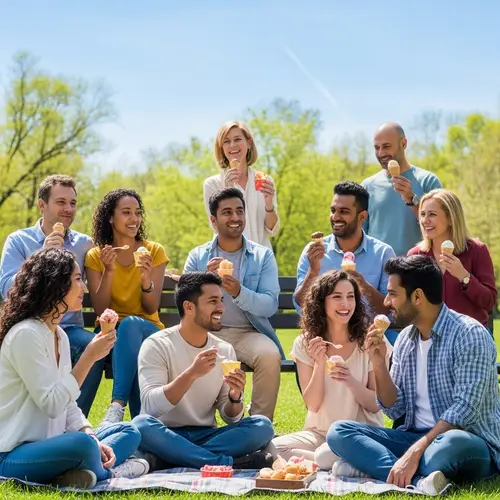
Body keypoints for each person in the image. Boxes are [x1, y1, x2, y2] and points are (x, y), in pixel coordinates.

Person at [327, 255, 500, 495]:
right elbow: (395, 409)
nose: (386, 302)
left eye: (393, 294)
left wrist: (415, 451)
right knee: (339, 432)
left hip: (466, 440)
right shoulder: (406, 340)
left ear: (417, 296)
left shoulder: (470, 335)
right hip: (411, 437)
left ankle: (379, 466)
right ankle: (419, 480)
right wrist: (378, 364)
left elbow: (465, 410)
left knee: (450, 446)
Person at [0, 248, 149, 488]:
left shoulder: (59, 334)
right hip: (12, 455)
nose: (85, 287)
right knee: (81, 446)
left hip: (55, 443)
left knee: (129, 432)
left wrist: (90, 433)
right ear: (55, 284)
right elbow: (51, 405)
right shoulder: (26, 335)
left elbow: (68, 405)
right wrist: (89, 357)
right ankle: (111, 473)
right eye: (78, 279)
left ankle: (77, 473)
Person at [133, 272, 275, 470]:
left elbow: (230, 417)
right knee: (141, 425)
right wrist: (191, 374)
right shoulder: (156, 345)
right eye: (213, 301)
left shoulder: (224, 349)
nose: (221, 308)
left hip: (206, 434)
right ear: (189, 307)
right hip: (165, 432)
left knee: (262, 426)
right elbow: (150, 407)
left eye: (221, 300)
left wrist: (234, 397)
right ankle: (226, 462)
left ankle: (170, 458)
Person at [0, 174, 102, 417]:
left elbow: (100, 282)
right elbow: (6, 288)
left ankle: (76, 419)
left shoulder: (83, 243)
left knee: (93, 349)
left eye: (73, 203)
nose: (68, 209)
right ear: (42, 205)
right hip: (31, 326)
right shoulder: (19, 241)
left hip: (70, 328)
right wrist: (41, 255)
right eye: (61, 202)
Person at [272, 271, 390, 470]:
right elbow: (313, 404)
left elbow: (375, 405)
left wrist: (349, 380)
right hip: (320, 433)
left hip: (360, 434)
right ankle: (344, 464)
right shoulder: (305, 343)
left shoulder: (371, 341)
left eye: (350, 297)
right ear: (321, 302)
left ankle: (333, 460)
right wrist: (319, 364)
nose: (345, 304)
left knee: (326, 453)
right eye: (337, 297)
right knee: (274, 447)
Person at [184, 188, 283, 420]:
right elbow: (184, 304)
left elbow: (270, 305)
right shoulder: (198, 256)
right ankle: (194, 424)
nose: (235, 217)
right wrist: (202, 281)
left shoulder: (262, 256)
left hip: (247, 333)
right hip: (207, 334)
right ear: (213, 220)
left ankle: (259, 425)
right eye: (227, 212)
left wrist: (239, 291)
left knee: (269, 355)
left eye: (239, 211)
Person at [85, 189, 169, 427]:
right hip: (112, 332)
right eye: (126, 213)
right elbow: (101, 310)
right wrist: (109, 269)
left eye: (137, 213)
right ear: (110, 218)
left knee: (131, 325)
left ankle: (116, 406)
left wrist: (145, 279)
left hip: (148, 331)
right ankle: (75, 425)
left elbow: (151, 306)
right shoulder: (96, 255)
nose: (134, 219)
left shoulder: (153, 251)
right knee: (96, 345)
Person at [294, 181, 398, 344]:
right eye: (333, 210)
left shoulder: (383, 253)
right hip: (324, 338)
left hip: (368, 337)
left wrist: (362, 285)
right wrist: (313, 271)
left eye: (344, 212)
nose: (336, 217)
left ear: (362, 216)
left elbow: (389, 309)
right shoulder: (314, 251)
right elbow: (300, 304)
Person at [408, 188, 496, 327]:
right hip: (431, 338)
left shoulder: (477, 250)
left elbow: (489, 302)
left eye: (432, 214)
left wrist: (464, 276)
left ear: (450, 218)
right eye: (423, 214)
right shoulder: (415, 255)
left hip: (471, 337)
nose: (425, 220)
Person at [361, 122, 442, 256]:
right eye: (376, 147)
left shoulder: (428, 181)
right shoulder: (367, 186)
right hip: (380, 270)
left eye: (386, 146)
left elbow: (441, 227)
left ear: (403, 144)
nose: (381, 153)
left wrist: (411, 198)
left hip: (418, 266)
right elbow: (360, 235)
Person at [203, 120, 279, 251]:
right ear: (221, 148)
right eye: (226, 141)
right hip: (229, 257)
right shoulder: (213, 184)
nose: (232, 145)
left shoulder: (265, 181)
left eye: (237, 139)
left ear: (249, 143)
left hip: (262, 258)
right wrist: (227, 191)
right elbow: (216, 227)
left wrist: (269, 204)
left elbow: (272, 229)